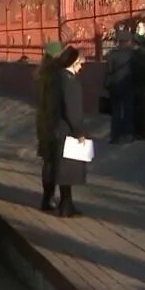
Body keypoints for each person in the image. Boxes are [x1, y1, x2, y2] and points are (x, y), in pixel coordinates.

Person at [47, 45, 89, 217]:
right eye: (80, 63)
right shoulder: (70, 81)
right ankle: (66, 206)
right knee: (68, 169)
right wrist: (79, 132)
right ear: (73, 62)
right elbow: (72, 109)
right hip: (68, 132)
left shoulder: (58, 78)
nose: (81, 67)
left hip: (59, 129)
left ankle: (66, 203)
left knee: (64, 169)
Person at [34, 40, 63, 211]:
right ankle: (50, 199)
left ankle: (46, 197)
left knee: (48, 161)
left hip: (42, 122)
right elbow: (53, 103)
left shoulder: (40, 74)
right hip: (53, 123)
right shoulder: (55, 75)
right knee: (55, 162)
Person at [103, 29, 135, 143]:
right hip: (128, 85)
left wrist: (106, 84)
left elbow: (108, 70)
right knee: (128, 110)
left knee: (115, 111)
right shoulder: (132, 55)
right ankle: (128, 134)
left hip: (115, 86)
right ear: (128, 41)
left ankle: (115, 136)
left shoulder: (112, 54)